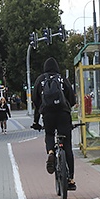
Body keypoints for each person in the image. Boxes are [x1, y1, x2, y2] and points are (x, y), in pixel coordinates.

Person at [31, 57, 78, 190]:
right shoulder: (62, 79)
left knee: (50, 133)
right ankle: (71, 179)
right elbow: (72, 100)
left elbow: (36, 101)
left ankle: (51, 152)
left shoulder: (40, 80)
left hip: (48, 115)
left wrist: (36, 121)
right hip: (63, 114)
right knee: (67, 146)